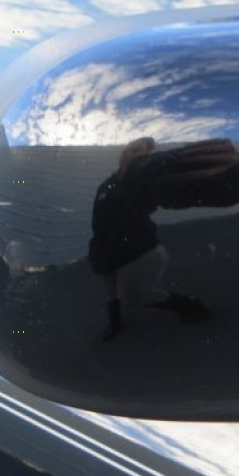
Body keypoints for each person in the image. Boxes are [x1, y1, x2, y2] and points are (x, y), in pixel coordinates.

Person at [88, 137, 210, 342]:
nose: (131, 154)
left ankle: (191, 306)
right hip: (105, 251)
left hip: (136, 251)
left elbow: (159, 170)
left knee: (136, 296)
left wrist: (172, 159)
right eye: (130, 149)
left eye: (139, 153)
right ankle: (115, 323)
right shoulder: (107, 184)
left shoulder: (143, 182)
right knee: (111, 290)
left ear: (147, 160)